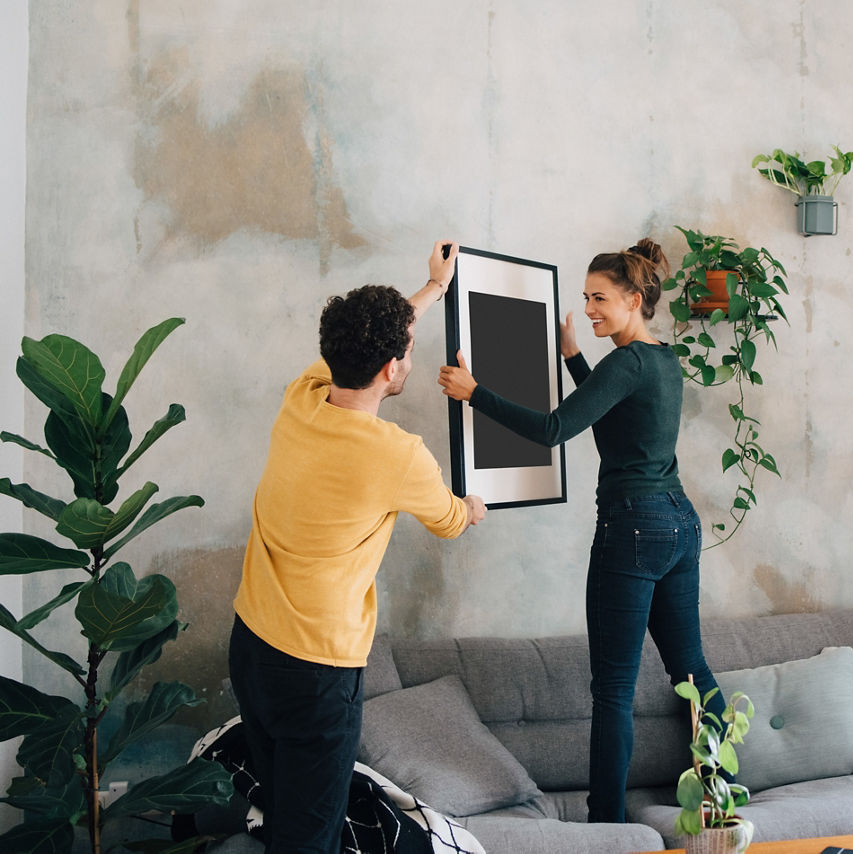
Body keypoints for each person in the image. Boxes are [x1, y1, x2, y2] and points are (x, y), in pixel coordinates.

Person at [437, 238, 726, 823]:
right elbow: (616, 411)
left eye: (599, 298)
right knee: (690, 666)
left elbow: (553, 429)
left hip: (633, 528)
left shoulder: (625, 363)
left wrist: (475, 394)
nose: (589, 308)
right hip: (678, 522)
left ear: (635, 298)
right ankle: (722, 793)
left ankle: (607, 825)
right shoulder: (663, 359)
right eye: (585, 297)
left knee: (614, 688)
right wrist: (573, 358)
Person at [229, 240, 486, 853]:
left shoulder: (304, 396)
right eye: (408, 354)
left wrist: (431, 289)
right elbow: (450, 520)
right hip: (316, 672)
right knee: (307, 838)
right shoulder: (398, 455)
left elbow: (373, 337)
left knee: (282, 815)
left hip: (251, 646)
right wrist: (475, 506)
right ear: (393, 370)